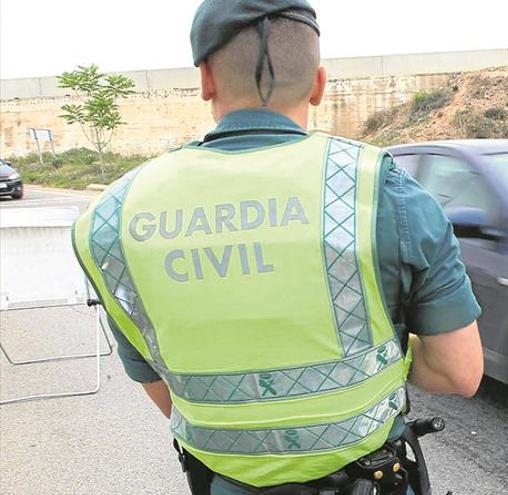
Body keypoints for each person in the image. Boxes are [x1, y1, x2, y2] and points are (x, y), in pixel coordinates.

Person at [71, 1, 484, 494]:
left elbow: (165, 390)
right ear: (318, 84)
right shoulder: (382, 192)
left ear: (205, 80)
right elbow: (459, 372)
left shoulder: (110, 219)